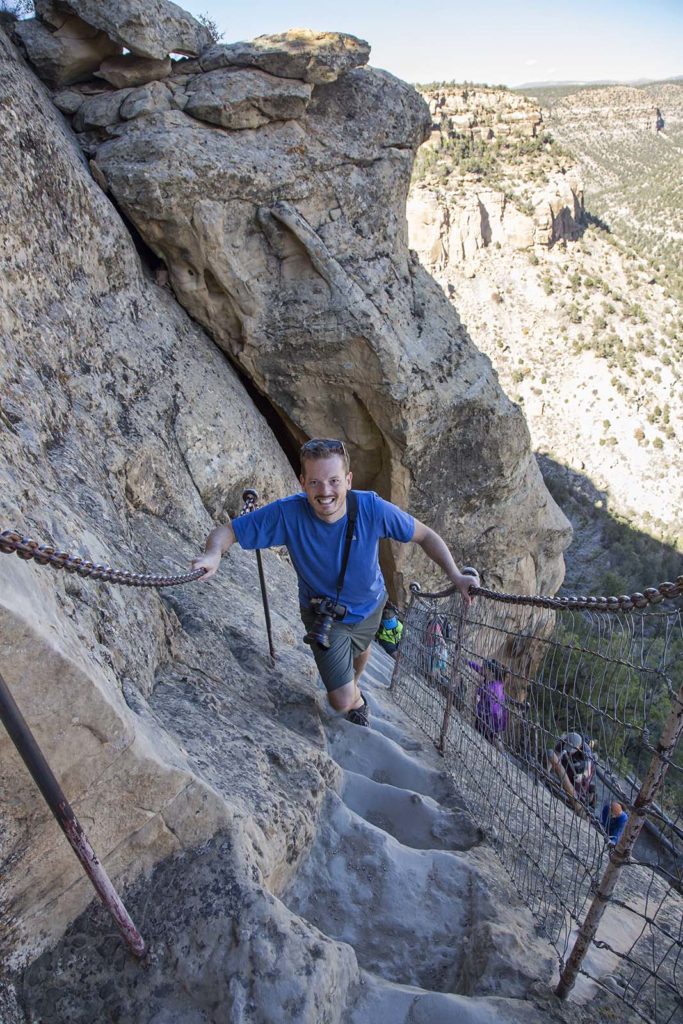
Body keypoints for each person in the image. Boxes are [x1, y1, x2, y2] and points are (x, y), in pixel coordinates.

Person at [192, 438, 479, 728]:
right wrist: (213, 554)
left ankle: (353, 678)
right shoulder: (288, 514)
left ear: (348, 480)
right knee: (341, 701)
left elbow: (425, 535)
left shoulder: (371, 508)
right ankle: (356, 698)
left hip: (372, 605)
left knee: (362, 647)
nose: (325, 491)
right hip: (325, 615)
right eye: (315, 482)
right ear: (303, 482)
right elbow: (228, 531)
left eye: (333, 481)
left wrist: (455, 575)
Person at [554, 732, 597, 808]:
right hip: (569, 761)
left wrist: (582, 776)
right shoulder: (563, 742)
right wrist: (547, 771)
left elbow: (588, 772)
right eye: (568, 748)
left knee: (580, 785)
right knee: (567, 775)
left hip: (584, 766)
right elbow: (555, 757)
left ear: (579, 746)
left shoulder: (586, 751)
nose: (570, 751)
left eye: (572, 749)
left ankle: (582, 800)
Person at [471, 658, 509, 744]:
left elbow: (478, 695)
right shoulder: (499, 684)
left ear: (491, 672)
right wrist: (468, 662)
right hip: (496, 726)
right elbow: (479, 669)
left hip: (485, 722)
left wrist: (481, 685)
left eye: (484, 668)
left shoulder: (489, 687)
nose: (481, 669)